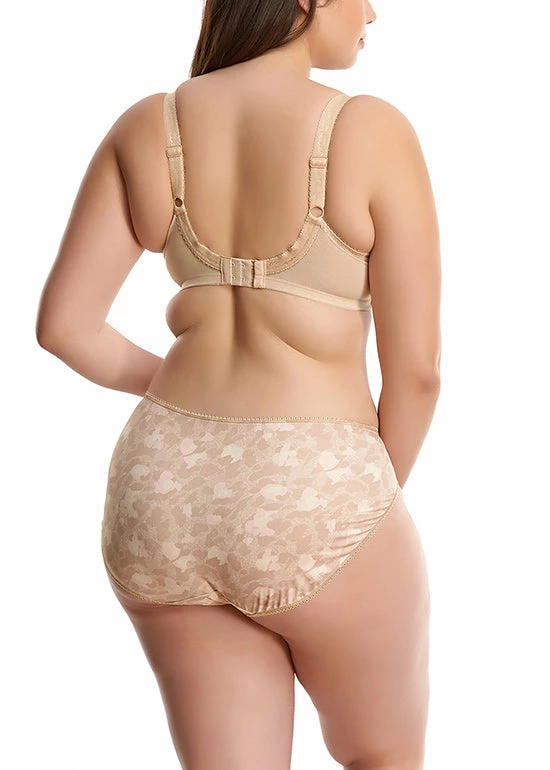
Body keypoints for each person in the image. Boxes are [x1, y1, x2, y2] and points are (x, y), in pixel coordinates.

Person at [36, 0, 441, 767]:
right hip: (313, 478)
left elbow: (65, 328)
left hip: (162, 486)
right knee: (383, 757)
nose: (374, 11)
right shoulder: (370, 130)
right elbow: (417, 372)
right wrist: (354, 500)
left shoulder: (148, 125)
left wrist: (179, 398)